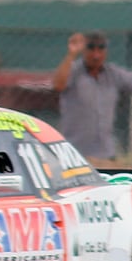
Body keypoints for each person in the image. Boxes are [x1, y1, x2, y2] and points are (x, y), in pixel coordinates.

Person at [52, 31, 132, 164]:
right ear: (84, 51)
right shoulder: (74, 71)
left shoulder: (113, 74)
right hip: (76, 151)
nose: (96, 55)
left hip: (105, 152)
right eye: (91, 49)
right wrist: (71, 54)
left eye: (100, 49)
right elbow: (58, 85)